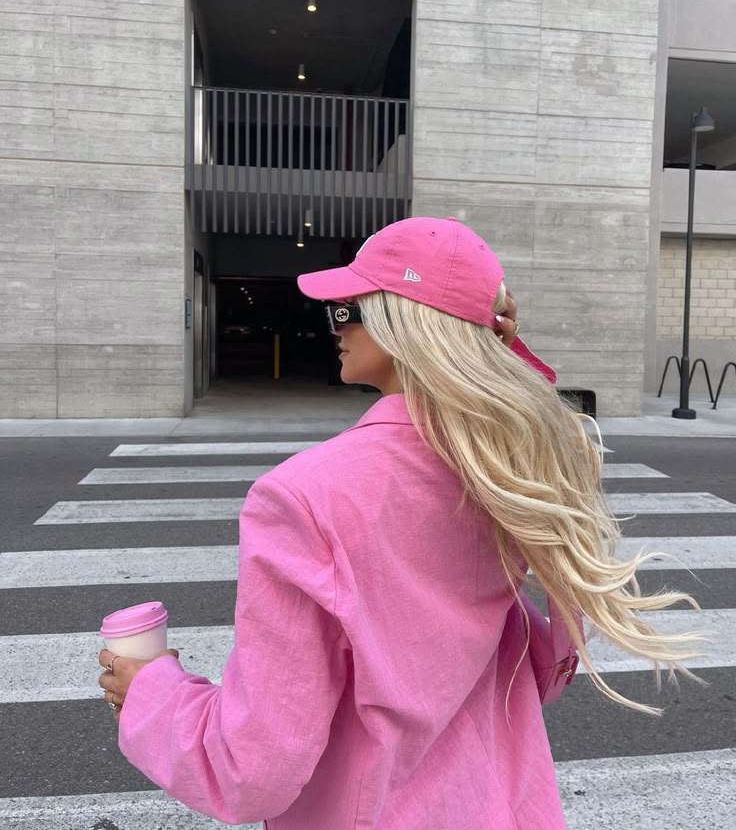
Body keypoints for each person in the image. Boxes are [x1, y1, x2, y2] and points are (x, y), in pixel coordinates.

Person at [98, 217, 708, 829]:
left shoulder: (302, 497)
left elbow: (253, 768)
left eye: (348, 309)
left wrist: (152, 691)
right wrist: (496, 352)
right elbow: (539, 671)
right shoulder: (511, 470)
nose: (335, 325)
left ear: (403, 323)